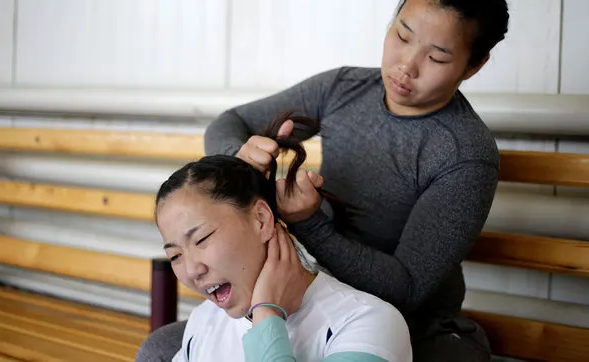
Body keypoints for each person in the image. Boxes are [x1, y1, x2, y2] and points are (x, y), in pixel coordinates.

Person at [136, 0, 509, 362]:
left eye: (436, 57)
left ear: (474, 65)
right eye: (402, 35)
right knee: (162, 348)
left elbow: (406, 290)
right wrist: (240, 158)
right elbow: (230, 123)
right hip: (305, 300)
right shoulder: (344, 89)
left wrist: (309, 224)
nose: (406, 65)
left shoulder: (464, 155)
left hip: (410, 327)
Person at [151, 112, 412, 361]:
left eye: (202, 239)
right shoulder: (203, 321)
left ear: (261, 219)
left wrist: (266, 313)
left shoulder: (368, 324)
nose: (192, 270)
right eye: (175, 255)